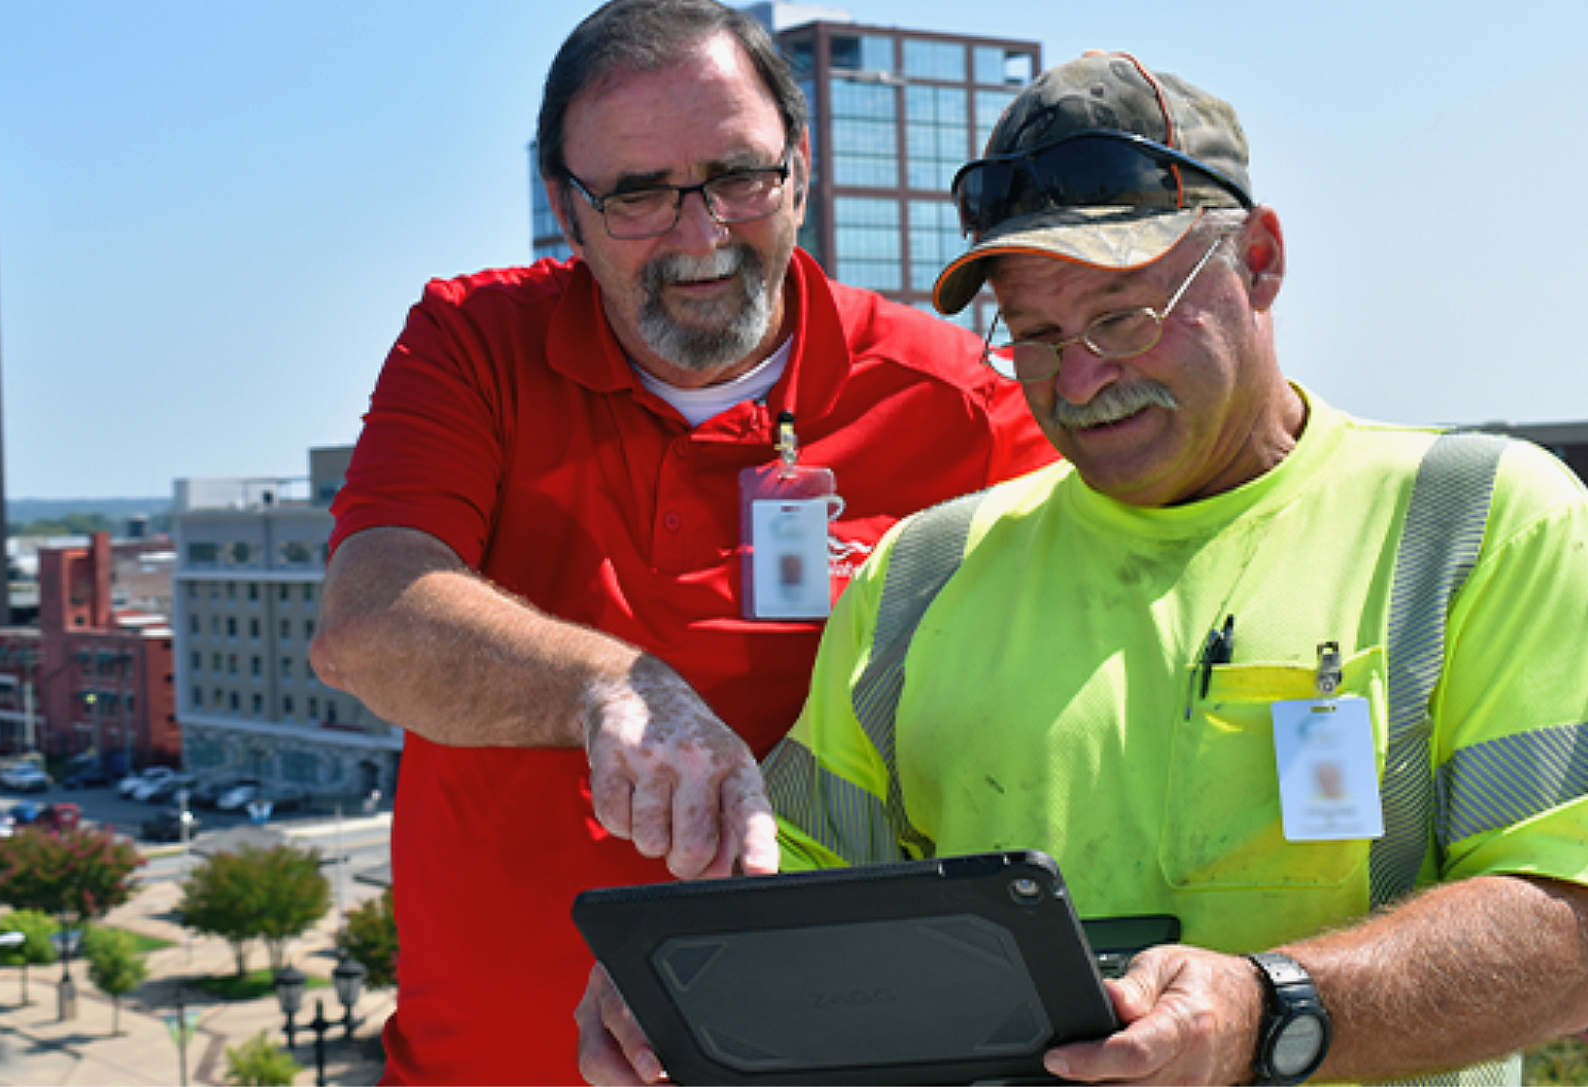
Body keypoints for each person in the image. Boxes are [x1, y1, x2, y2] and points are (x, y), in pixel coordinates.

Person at [577, 51, 1588, 1086]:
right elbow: (800, 879)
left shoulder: (1477, 523)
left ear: (1263, 260)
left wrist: (1268, 1011)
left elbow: (1569, 924)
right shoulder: (922, 573)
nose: (1082, 379)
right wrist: (690, 982)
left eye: (1123, 320)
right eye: (1037, 337)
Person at [308, 1, 1057, 1081]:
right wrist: (613, 688)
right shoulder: (471, 345)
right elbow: (368, 622)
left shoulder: (963, 405)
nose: (700, 234)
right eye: (639, 193)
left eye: (737, 175)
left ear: (800, 172)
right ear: (567, 209)